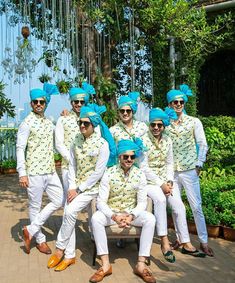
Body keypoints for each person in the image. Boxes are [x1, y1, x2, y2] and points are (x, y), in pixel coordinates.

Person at [47, 104, 116, 271]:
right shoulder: (75, 141)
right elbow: (72, 165)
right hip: (77, 185)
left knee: (70, 212)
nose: (82, 126)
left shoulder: (102, 145)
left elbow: (98, 172)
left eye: (86, 123)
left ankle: (60, 249)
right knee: (69, 213)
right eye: (80, 123)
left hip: (95, 187)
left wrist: (79, 189)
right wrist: (72, 186)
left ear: (93, 125)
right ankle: (69, 255)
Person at [140, 108, 205, 260]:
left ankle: (186, 243)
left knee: (179, 207)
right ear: (149, 125)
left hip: (165, 181)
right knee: (161, 200)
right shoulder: (142, 140)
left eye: (159, 125)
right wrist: (161, 183)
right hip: (149, 182)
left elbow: (170, 163)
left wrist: (169, 181)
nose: (156, 128)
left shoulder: (167, 140)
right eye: (153, 125)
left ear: (163, 126)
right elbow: (143, 167)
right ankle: (164, 241)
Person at [90, 139, 156, 283]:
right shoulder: (108, 173)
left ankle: (141, 264)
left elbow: (142, 202)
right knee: (96, 218)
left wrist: (131, 216)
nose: (129, 159)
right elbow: (101, 202)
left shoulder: (140, 175)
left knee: (150, 219)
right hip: (112, 213)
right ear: (119, 157)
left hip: (131, 213)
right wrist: (114, 216)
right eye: (125, 156)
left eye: (132, 157)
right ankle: (106, 265)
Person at [164, 84, 214, 257]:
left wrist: (199, 164)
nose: (178, 104)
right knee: (177, 208)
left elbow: (202, 144)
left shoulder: (194, 122)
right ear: (169, 104)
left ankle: (204, 241)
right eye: (174, 102)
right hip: (172, 173)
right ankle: (181, 239)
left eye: (180, 101)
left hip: (190, 170)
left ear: (184, 103)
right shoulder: (165, 124)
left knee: (196, 207)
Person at [16, 88, 64, 255]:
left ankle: (30, 229)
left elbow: (60, 131)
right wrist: (22, 172)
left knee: (59, 200)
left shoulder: (49, 122)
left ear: (45, 104)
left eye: (41, 102)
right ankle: (40, 240)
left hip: (50, 170)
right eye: (35, 102)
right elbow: (20, 148)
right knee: (35, 206)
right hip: (34, 172)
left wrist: (66, 116)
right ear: (31, 104)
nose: (38, 104)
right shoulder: (26, 123)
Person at [110, 92, 148, 248]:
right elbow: (112, 154)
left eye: (128, 111)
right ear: (118, 112)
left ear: (133, 111)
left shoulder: (143, 127)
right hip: (121, 171)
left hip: (141, 171)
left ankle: (140, 234)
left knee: (137, 200)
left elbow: (148, 150)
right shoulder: (113, 131)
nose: (125, 113)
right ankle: (121, 234)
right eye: (122, 111)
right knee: (121, 197)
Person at [55, 86, 91, 192]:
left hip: (87, 166)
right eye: (76, 101)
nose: (79, 104)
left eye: (82, 102)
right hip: (68, 165)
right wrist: (72, 159)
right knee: (70, 198)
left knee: (89, 200)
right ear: (71, 102)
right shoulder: (63, 119)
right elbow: (59, 144)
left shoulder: (91, 119)